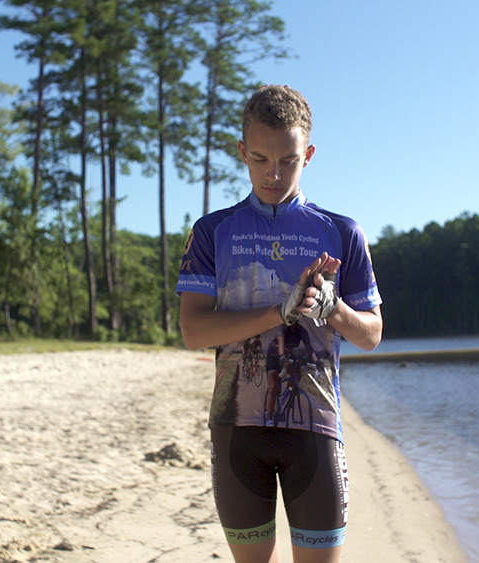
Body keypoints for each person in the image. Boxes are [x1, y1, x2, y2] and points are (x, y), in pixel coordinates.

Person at [177, 84, 383, 563]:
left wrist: (332, 308)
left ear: (308, 154)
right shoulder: (212, 232)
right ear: (242, 151)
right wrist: (280, 311)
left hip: (315, 427)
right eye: (260, 158)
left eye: (288, 160)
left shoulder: (341, 232)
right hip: (236, 430)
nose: (273, 173)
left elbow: (370, 335)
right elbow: (193, 332)